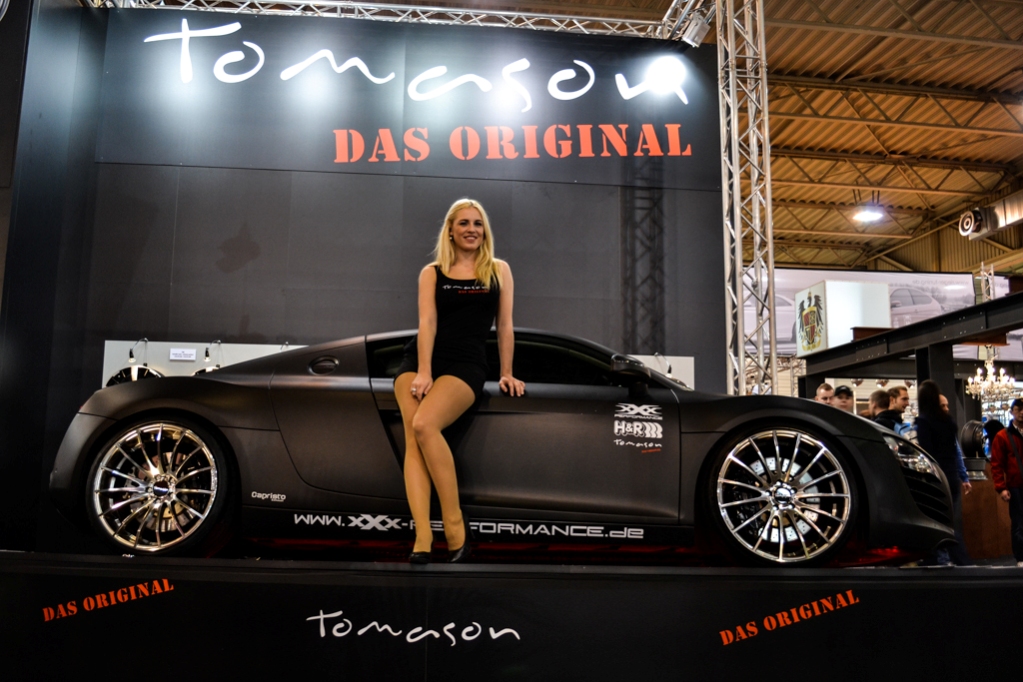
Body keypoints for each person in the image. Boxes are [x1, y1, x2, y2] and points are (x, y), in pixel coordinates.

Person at [394, 198, 525, 564]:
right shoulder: (432, 272)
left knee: (425, 425)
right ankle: (423, 536)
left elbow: (505, 325)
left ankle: (454, 525)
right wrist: (423, 370)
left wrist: (506, 371)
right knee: (414, 441)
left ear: (485, 231)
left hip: (467, 363)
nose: (471, 229)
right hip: (421, 360)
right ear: (450, 231)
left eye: (477, 223)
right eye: (464, 223)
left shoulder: (498, 270)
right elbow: (427, 323)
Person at [915, 380, 972, 565]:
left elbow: (927, 453)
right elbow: (955, 451)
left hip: (936, 477)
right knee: (952, 523)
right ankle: (961, 561)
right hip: (952, 475)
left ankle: (944, 560)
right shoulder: (949, 422)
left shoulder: (924, 422)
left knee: (936, 522)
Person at [989, 400, 1023, 566]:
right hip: (1015, 486)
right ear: (1012, 412)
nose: (1022, 412)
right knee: (1018, 523)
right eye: (1019, 409)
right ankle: (1021, 557)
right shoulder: (1002, 436)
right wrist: (1001, 488)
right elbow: (996, 464)